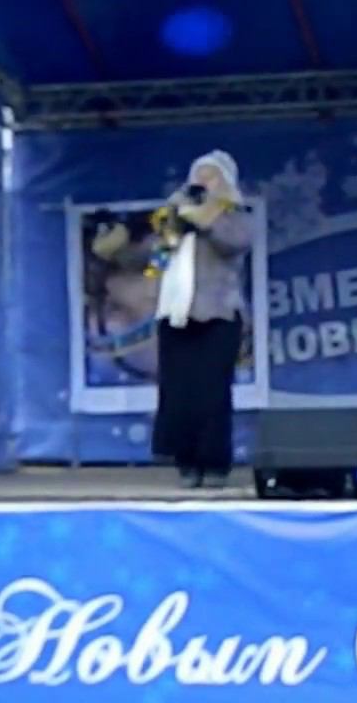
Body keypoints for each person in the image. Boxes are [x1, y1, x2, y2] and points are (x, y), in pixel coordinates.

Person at [149, 150, 253, 488]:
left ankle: (215, 463)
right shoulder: (176, 217)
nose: (202, 182)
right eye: (198, 175)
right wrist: (173, 223)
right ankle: (186, 462)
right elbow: (155, 260)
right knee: (180, 392)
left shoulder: (233, 214)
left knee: (212, 393)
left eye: (211, 176)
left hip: (218, 316)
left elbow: (236, 242)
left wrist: (205, 218)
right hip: (177, 316)